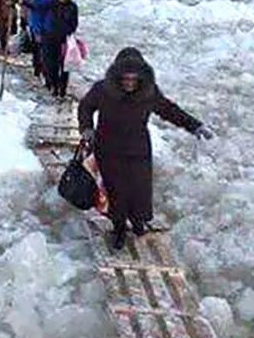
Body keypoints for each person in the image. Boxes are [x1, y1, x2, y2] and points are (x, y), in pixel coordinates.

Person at [78, 48, 212, 250]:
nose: (130, 83)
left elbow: (169, 110)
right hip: (109, 149)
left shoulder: (149, 92)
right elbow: (85, 107)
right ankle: (119, 228)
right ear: (117, 76)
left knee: (139, 189)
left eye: (134, 79)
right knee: (117, 192)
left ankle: (138, 221)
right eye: (126, 78)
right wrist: (87, 128)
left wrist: (195, 125)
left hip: (137, 149)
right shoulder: (102, 90)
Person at [24, 0, 59, 91]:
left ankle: (54, 81)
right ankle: (47, 80)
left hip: (55, 33)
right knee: (44, 57)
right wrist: (37, 31)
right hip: (43, 31)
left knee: (55, 59)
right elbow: (36, 15)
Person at [46, 0, 79, 99]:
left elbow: (74, 23)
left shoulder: (72, 7)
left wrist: (68, 32)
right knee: (53, 64)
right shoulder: (53, 5)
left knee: (65, 66)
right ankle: (55, 86)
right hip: (53, 39)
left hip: (65, 39)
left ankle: (62, 89)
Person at [21, 0, 48, 71]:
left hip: (45, 18)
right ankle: (37, 64)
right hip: (32, 16)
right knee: (36, 43)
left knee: (44, 43)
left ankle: (43, 64)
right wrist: (23, 16)